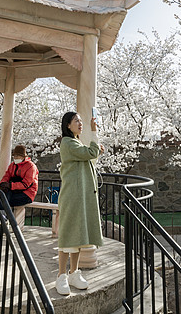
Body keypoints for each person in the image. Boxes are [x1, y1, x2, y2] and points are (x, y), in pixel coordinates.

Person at [55, 111, 104, 296]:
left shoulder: (75, 143)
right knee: (68, 236)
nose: (80, 123)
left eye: (81, 120)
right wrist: (94, 132)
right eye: (76, 120)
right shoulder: (67, 143)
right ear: (68, 125)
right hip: (72, 196)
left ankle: (74, 273)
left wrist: (95, 148)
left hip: (79, 195)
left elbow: (91, 156)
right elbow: (91, 152)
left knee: (77, 235)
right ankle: (61, 275)